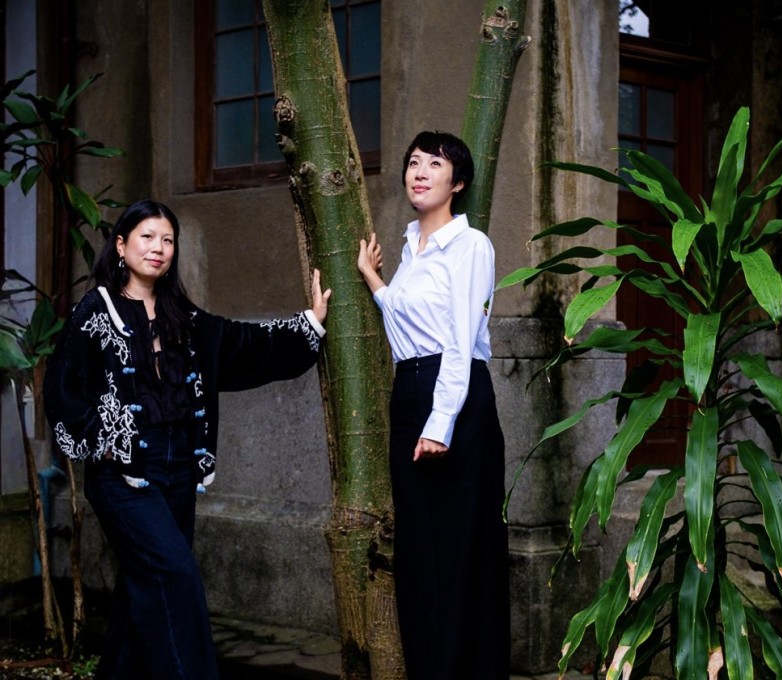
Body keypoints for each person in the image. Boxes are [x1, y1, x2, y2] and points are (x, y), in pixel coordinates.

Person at [44, 199, 331, 680]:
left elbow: (241, 346)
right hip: (125, 477)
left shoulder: (183, 316)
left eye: (168, 240)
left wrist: (311, 323)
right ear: (121, 244)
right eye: (147, 237)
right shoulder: (96, 310)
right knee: (175, 578)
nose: (158, 248)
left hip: (179, 469)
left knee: (145, 590)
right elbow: (62, 386)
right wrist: (104, 436)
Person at [357, 130, 509, 679]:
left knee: (463, 548)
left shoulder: (471, 246)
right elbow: (404, 320)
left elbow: (459, 339)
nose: (419, 171)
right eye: (413, 162)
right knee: (420, 552)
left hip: (457, 400)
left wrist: (441, 423)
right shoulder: (410, 249)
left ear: (458, 182)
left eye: (435, 164)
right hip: (410, 393)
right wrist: (374, 276)